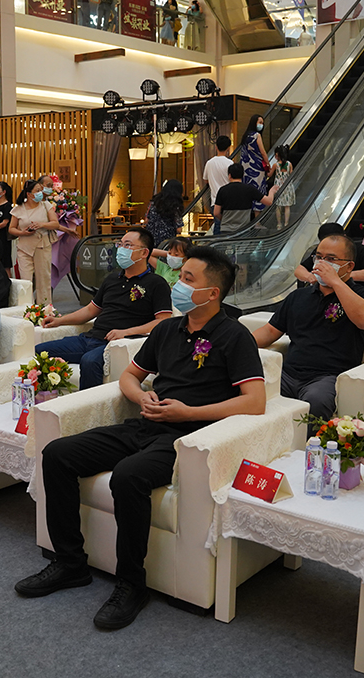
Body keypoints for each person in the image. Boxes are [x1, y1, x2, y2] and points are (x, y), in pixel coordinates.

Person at [16, 245, 265, 629]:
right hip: (146, 423)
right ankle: (70, 562)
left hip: (189, 437)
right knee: (58, 453)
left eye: (187, 279)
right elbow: (130, 376)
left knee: (129, 475)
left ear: (212, 293)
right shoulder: (167, 329)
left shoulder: (235, 336)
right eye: (180, 277)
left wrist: (188, 413)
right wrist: (141, 396)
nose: (178, 284)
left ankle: (131, 583)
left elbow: (255, 401)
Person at [254, 233, 364, 423]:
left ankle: (309, 443)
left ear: (349, 266)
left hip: (327, 377)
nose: (322, 263)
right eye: (319, 257)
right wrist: (239, 345)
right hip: (288, 373)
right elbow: (270, 331)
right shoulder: (298, 296)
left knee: (316, 402)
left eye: (331, 259)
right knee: (252, 391)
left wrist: (335, 282)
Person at [36, 228, 171, 389]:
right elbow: (90, 310)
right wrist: (59, 320)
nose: (121, 249)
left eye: (127, 245)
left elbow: (163, 321)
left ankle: (89, 404)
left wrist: (127, 332)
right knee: (39, 351)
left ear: (144, 253)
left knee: (89, 361)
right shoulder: (112, 279)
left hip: (116, 344)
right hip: (89, 338)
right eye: (120, 244)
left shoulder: (156, 283)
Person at [10, 179, 60, 306]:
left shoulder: (46, 206)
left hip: (42, 246)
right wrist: (22, 233)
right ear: (29, 194)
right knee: (25, 281)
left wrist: (41, 224)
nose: (40, 193)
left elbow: (55, 224)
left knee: (43, 280)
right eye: (37, 190)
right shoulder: (18, 209)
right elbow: (11, 229)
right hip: (24, 248)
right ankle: (27, 309)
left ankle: (45, 309)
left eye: (40, 190)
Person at [295, 222, 364, 289]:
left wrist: (343, 276)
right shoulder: (321, 250)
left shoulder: (358, 250)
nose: (323, 259)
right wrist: (310, 277)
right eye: (319, 257)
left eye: (331, 258)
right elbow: (299, 270)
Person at [213, 164, 277, 234]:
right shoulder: (250, 189)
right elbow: (269, 202)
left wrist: (224, 220)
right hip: (243, 230)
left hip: (226, 230)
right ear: (243, 175)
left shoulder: (222, 190)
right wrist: (271, 191)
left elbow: (216, 213)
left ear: (229, 175)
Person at [204, 136, 233, 235]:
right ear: (228, 148)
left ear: (216, 147)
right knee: (228, 226)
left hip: (215, 200)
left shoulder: (209, 163)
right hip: (228, 200)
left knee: (217, 225)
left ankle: (216, 243)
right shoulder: (230, 163)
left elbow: (206, 180)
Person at [145, 179, 184, 245]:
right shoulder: (175, 205)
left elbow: (146, 220)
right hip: (166, 242)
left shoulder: (154, 202)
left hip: (150, 239)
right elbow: (178, 229)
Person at [238, 115, 270, 193]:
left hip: (245, 166)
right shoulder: (256, 135)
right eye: (260, 122)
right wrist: (268, 164)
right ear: (254, 122)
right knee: (258, 188)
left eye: (262, 123)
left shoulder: (245, 135)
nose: (261, 125)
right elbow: (262, 152)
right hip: (256, 165)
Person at [268, 144, 296, 226]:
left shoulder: (275, 165)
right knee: (287, 206)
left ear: (277, 155)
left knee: (278, 206)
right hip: (287, 186)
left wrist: (267, 170)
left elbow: (269, 175)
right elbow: (291, 174)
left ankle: (279, 224)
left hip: (278, 186)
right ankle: (286, 223)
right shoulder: (289, 164)